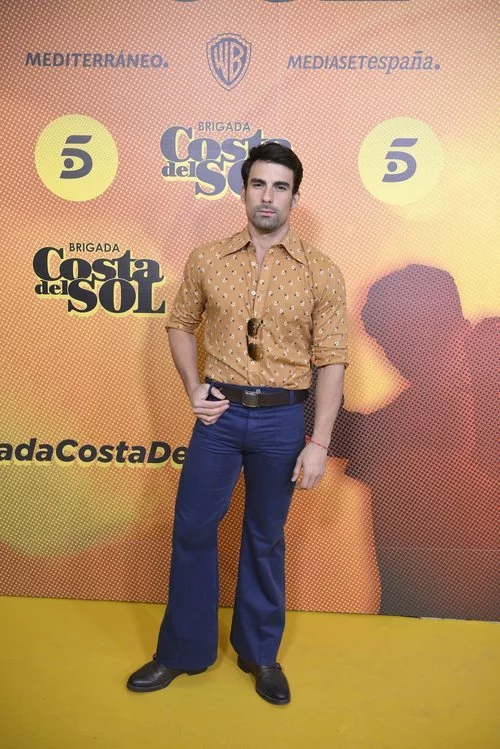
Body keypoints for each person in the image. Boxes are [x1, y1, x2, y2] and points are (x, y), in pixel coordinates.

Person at [127, 142, 348, 705]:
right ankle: (182, 652)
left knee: (265, 537)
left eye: (280, 186)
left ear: (294, 197)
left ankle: (259, 654)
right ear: (244, 191)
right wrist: (193, 388)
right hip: (219, 418)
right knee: (193, 529)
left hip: (282, 421)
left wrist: (319, 442)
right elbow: (179, 324)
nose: (267, 196)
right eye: (258, 184)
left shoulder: (321, 271)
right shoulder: (206, 259)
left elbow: (332, 361)